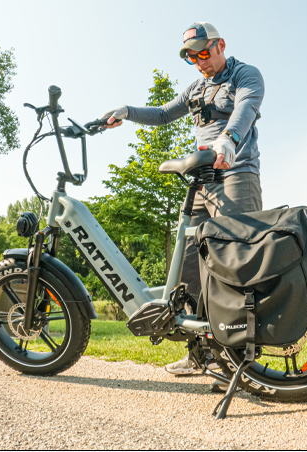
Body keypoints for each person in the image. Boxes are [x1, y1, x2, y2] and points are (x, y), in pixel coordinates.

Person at [101, 22, 265, 379]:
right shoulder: (195, 87)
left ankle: (243, 360)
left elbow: (246, 107)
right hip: (201, 182)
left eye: (203, 52)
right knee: (189, 270)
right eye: (191, 57)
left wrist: (229, 139)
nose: (199, 61)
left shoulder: (245, 75)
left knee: (234, 263)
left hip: (235, 175)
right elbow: (163, 114)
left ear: (221, 45)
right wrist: (126, 111)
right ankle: (200, 354)